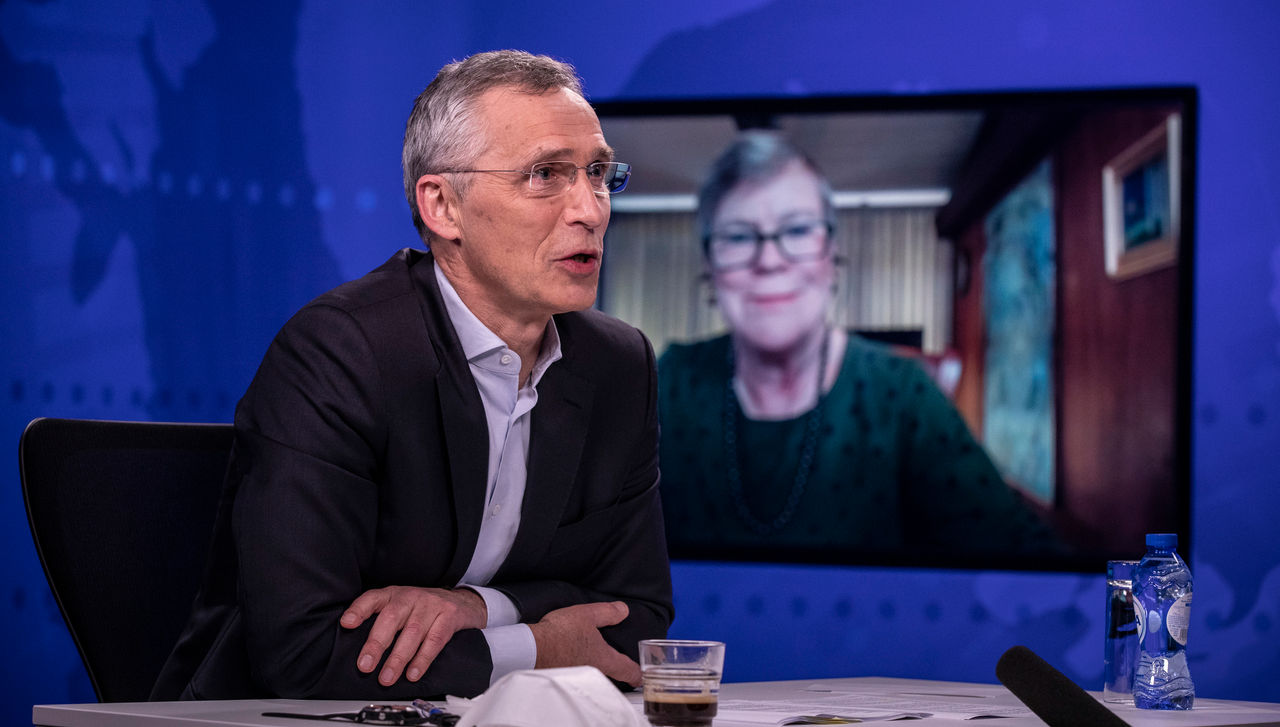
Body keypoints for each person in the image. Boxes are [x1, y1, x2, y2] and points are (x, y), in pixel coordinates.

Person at [152, 50, 673, 701]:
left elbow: (636, 621)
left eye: (598, 173)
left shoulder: (619, 364)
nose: (591, 210)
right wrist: (540, 643)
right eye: (546, 174)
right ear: (441, 206)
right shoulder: (342, 353)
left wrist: (474, 607)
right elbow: (303, 654)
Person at [657, 130, 1053, 560]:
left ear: (832, 255)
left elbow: (1030, 563)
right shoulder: (669, 382)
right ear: (710, 267)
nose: (769, 260)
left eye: (797, 229)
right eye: (737, 237)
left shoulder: (902, 394)